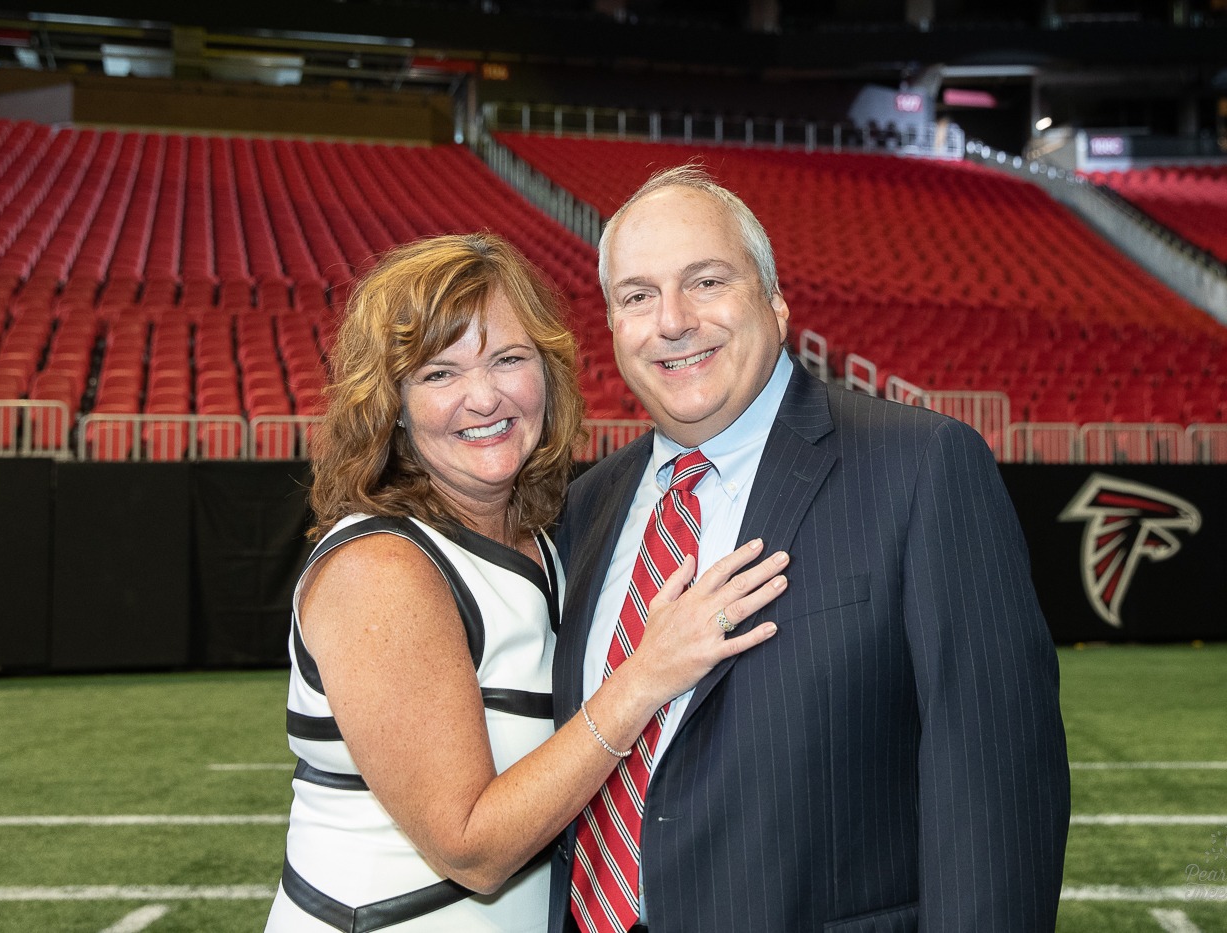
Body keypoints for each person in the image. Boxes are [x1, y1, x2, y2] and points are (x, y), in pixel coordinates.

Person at [550, 167, 1071, 933]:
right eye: (637, 296)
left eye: (706, 280)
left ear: (777, 303)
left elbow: (998, 789)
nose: (671, 320)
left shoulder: (922, 467)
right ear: (614, 327)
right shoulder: (585, 506)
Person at [266, 233, 791, 932]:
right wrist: (647, 674)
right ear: (392, 402)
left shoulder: (553, 534)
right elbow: (472, 847)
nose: (483, 397)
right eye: (438, 373)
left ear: (546, 371)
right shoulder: (381, 568)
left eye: (508, 359)